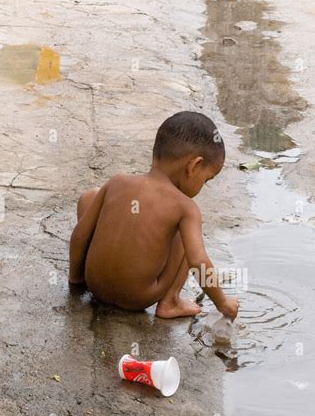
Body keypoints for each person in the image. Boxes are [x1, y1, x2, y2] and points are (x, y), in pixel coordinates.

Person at [69, 111, 239, 320]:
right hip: (137, 297)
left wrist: (76, 280)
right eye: (207, 179)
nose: (204, 186)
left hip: (95, 286)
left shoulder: (116, 182)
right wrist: (223, 302)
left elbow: (80, 235)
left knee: (90, 196)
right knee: (188, 234)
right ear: (194, 165)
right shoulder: (186, 207)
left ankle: (90, 274)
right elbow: (198, 261)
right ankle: (171, 301)